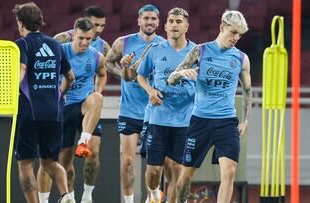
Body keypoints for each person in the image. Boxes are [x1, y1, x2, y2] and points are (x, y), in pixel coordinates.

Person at [167, 10, 253, 203]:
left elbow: (248, 91)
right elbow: (171, 78)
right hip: (200, 121)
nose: (236, 38)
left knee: (229, 173)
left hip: (227, 122)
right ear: (222, 27)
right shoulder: (200, 51)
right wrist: (182, 73)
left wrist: (246, 120)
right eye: (233, 32)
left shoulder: (241, 59)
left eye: (239, 34)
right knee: (185, 176)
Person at [37, 17, 107, 203]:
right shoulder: (59, 52)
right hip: (62, 107)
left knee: (97, 99)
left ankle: (87, 196)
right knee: (64, 163)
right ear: (73, 34)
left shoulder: (97, 56)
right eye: (81, 38)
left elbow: (102, 74)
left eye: (88, 39)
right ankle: (68, 198)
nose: (84, 42)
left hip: (84, 106)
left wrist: (96, 91)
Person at [13, 2, 75, 203]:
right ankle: (66, 195)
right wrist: (60, 94)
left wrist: (10, 86)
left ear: (21, 23)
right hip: (54, 112)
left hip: (30, 112)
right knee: (50, 162)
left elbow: (22, 69)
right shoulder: (56, 45)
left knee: (25, 164)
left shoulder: (22, 44)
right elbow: (70, 77)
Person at [104, 4, 164, 203]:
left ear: (158, 21)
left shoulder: (164, 45)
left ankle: (151, 198)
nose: (149, 22)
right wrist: (123, 72)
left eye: (153, 19)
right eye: (146, 18)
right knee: (128, 161)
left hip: (154, 111)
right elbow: (108, 62)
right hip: (129, 110)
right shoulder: (124, 43)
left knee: (154, 164)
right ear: (139, 20)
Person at [137, 7, 197, 203]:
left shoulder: (197, 52)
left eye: (179, 21)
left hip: (185, 121)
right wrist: (151, 91)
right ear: (165, 26)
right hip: (158, 117)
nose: (174, 25)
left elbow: (204, 82)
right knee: (154, 170)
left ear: (186, 26)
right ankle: (154, 193)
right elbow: (141, 76)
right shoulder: (155, 50)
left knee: (178, 171)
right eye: (171, 21)